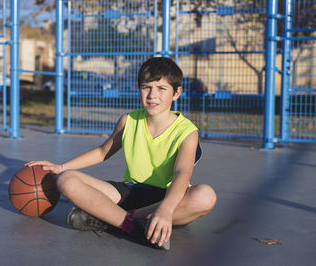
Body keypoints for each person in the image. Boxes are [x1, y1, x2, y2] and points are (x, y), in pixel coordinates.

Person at [26, 57, 217, 250]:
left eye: (161, 89)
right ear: (139, 89)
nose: (152, 95)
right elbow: (102, 152)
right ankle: (132, 227)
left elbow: (182, 174)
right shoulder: (129, 121)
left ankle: (110, 218)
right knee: (66, 180)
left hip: (167, 196)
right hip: (129, 191)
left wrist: (166, 208)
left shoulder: (187, 131)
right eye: (146, 87)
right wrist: (60, 167)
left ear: (177, 93)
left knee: (205, 196)